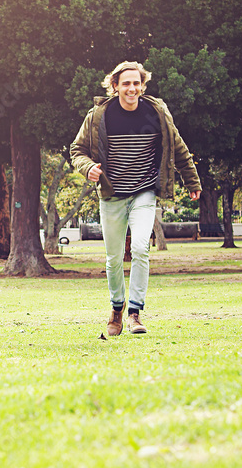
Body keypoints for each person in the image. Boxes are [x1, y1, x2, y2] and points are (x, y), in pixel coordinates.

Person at [70, 61, 201, 337]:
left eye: (136, 83)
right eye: (126, 83)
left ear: (143, 85)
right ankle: (117, 308)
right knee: (113, 258)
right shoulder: (98, 116)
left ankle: (135, 314)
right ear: (114, 86)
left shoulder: (156, 113)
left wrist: (192, 180)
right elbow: (77, 150)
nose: (132, 88)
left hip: (144, 191)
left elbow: (178, 147)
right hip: (112, 195)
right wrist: (87, 167)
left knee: (141, 247)